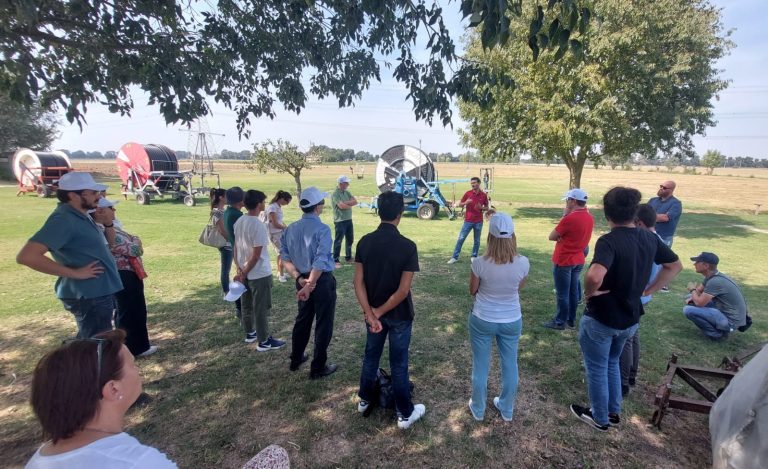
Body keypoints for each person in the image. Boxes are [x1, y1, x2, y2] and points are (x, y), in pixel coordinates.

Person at [570, 186, 682, 432]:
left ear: (607, 215)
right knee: (611, 362)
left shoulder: (609, 241)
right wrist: (649, 290)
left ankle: (599, 418)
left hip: (602, 319)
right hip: (630, 320)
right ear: (635, 213)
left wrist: (589, 291)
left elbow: (595, 274)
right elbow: (674, 265)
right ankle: (613, 411)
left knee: (598, 367)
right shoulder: (650, 237)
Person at [26, 330, 177, 468]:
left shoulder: (40, 459)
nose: (138, 371)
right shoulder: (138, 463)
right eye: (132, 365)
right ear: (113, 389)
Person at [16, 172, 122, 338]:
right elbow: (27, 256)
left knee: (96, 342)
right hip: (89, 294)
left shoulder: (81, 215)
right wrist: (75, 273)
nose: (99, 196)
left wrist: (108, 223)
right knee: (94, 345)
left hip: (98, 291)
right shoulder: (64, 220)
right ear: (74, 195)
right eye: (93, 193)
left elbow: (107, 244)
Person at [353, 191, 426, 430]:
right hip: (399, 316)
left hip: (373, 315)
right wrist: (378, 312)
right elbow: (403, 291)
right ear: (400, 214)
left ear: (378, 211)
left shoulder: (364, 241)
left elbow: (358, 282)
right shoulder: (408, 246)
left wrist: (371, 313)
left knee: (370, 357)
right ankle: (404, 413)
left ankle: (364, 400)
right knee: (399, 363)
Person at [467, 213, 529, 422]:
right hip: (511, 319)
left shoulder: (479, 263)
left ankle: (478, 408)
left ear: (489, 237)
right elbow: (517, 288)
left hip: (483, 318)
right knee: (510, 364)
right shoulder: (523, 263)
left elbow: (473, 291)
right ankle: (506, 408)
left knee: (480, 365)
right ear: (513, 236)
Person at [280, 187, 338, 379]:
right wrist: (310, 284)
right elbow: (321, 260)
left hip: (302, 279)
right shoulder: (323, 229)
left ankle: (296, 358)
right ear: (317, 206)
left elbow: (285, 258)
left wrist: (300, 280)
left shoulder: (290, 229)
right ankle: (318, 367)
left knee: (303, 319)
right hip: (319, 281)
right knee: (323, 323)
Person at [91, 198, 157, 358]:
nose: (114, 211)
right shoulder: (103, 230)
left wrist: (135, 241)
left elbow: (135, 239)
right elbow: (135, 248)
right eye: (111, 208)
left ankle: (140, 345)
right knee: (128, 312)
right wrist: (135, 242)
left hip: (130, 274)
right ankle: (131, 348)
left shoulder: (112, 228)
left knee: (136, 310)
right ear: (100, 212)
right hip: (123, 276)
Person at [233, 190, 285, 351]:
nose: (265, 204)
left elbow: (235, 247)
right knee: (261, 308)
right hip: (258, 273)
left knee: (247, 304)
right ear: (258, 204)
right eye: (263, 201)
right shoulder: (257, 224)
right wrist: (246, 271)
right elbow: (256, 255)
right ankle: (264, 341)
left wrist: (240, 269)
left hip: (244, 270)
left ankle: (250, 333)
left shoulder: (240, 220)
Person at [619, 204, 661, 396]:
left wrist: (646, 291)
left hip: (636, 297)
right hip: (642, 296)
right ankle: (632, 374)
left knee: (626, 339)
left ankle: (623, 382)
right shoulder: (657, 239)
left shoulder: (646, 241)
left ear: (640, 223)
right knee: (633, 336)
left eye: (633, 223)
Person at [542, 188, 594, 330]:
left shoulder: (570, 218)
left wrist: (564, 216)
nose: (566, 202)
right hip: (578, 259)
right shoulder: (589, 217)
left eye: (567, 200)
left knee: (562, 293)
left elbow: (552, 236)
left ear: (573, 201)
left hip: (564, 259)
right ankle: (571, 319)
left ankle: (560, 321)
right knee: (573, 291)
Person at [683, 252, 748, 341]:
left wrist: (692, 290)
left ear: (706, 265)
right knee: (690, 297)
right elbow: (698, 291)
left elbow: (699, 303)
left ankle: (716, 335)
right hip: (728, 313)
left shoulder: (715, 282)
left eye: (697, 262)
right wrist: (692, 297)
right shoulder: (712, 276)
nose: (694, 264)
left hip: (731, 321)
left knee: (688, 310)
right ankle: (717, 327)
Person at [648, 180, 682, 291]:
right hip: (649, 234)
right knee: (649, 258)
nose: (661, 188)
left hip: (664, 235)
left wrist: (649, 216)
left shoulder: (676, 203)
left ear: (671, 190)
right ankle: (649, 281)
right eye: (661, 186)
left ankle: (662, 284)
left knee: (663, 261)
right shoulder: (653, 200)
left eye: (665, 187)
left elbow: (666, 218)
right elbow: (642, 212)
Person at [448, 177, 489, 264]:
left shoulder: (483, 195)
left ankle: (474, 256)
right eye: (471, 183)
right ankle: (454, 257)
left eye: (474, 183)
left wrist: (481, 207)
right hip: (468, 221)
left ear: (479, 183)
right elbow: (459, 204)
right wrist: (465, 203)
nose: (473, 184)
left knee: (477, 240)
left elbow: (487, 208)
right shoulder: (468, 193)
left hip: (478, 221)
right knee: (461, 238)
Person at [260, 190, 292, 283]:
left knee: (279, 253)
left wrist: (285, 227)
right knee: (283, 253)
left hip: (279, 233)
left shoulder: (277, 207)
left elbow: (280, 221)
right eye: (287, 201)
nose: (287, 204)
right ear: (282, 199)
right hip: (275, 233)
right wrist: (285, 228)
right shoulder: (272, 208)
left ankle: (279, 272)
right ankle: (281, 275)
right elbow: (274, 224)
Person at [223, 187, 245, 318]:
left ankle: (239, 307)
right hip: (241, 250)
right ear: (240, 200)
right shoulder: (237, 215)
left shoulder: (228, 212)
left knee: (240, 277)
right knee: (242, 279)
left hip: (236, 248)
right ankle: (240, 307)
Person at [210, 188, 233, 299]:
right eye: (226, 196)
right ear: (221, 197)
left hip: (226, 244)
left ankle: (226, 290)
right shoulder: (218, 212)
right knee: (225, 270)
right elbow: (222, 230)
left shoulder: (221, 211)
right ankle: (226, 291)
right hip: (226, 245)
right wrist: (231, 240)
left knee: (226, 269)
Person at [331, 175, 357, 268]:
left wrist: (345, 203)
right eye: (346, 183)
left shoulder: (347, 192)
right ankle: (335, 260)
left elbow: (355, 201)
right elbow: (341, 206)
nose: (348, 184)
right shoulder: (335, 194)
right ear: (341, 183)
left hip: (348, 219)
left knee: (350, 239)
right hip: (340, 221)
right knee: (338, 241)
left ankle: (348, 257)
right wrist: (349, 204)